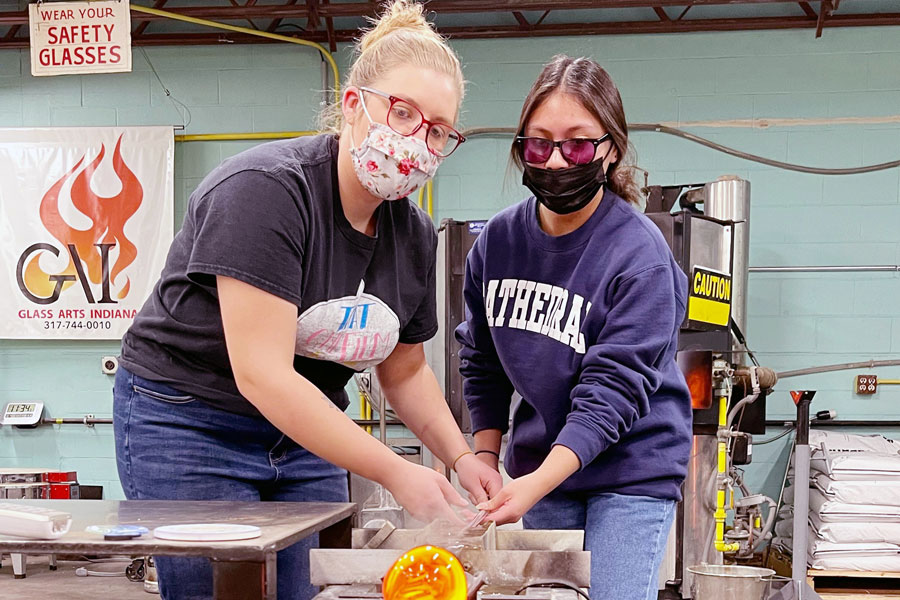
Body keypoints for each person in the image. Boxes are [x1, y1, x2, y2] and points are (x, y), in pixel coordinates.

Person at [113, 3, 502, 599]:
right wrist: (397, 471)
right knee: (218, 590)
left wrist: (461, 455)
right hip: (190, 418)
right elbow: (263, 375)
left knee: (304, 589)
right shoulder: (266, 194)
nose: (416, 141)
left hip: (302, 430)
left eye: (438, 130)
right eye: (403, 112)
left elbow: (405, 370)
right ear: (354, 104)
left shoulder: (413, 235)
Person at [455, 55, 693, 600]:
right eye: (540, 144)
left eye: (578, 144)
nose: (558, 161)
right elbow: (482, 361)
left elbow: (610, 395)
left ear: (611, 150)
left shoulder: (640, 256)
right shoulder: (498, 242)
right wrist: (486, 461)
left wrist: (528, 488)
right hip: (539, 465)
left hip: (630, 473)